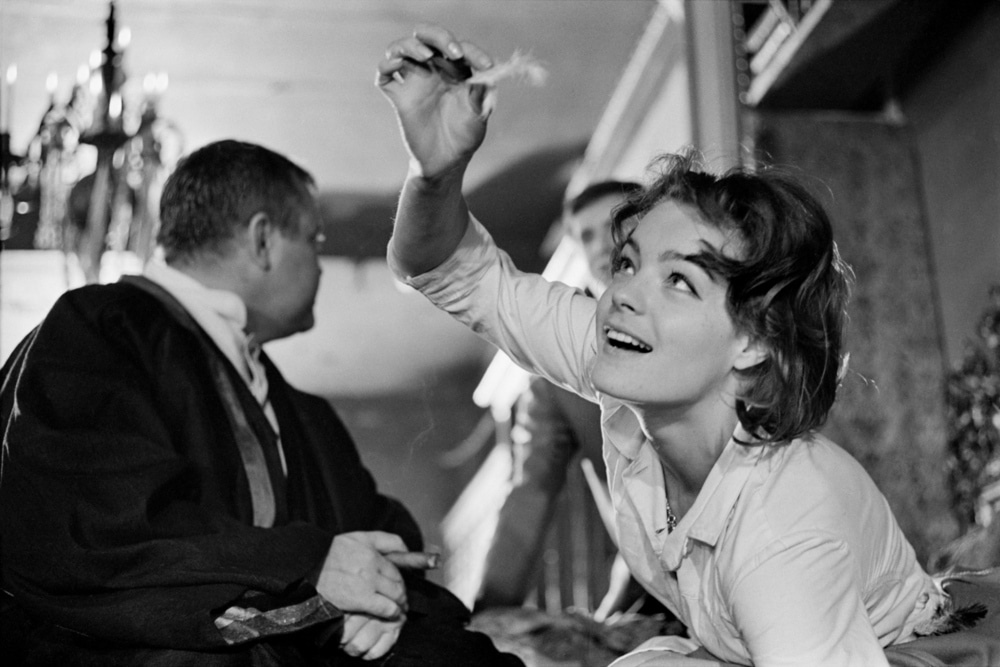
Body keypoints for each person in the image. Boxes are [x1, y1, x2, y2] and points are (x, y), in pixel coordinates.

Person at [375, 25, 998, 667]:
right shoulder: (628, 362)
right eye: (627, 263)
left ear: (753, 342)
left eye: (679, 281)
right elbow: (453, 273)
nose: (623, 294)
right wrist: (434, 173)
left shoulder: (780, 527)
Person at [0, 139, 522, 666]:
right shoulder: (99, 330)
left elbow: (379, 536)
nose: (320, 266)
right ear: (263, 240)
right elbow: (92, 532)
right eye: (314, 240)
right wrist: (311, 567)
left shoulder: (302, 413)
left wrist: (377, 593)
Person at [476, 180, 647, 613]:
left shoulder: (704, 315)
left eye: (617, 225)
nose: (603, 245)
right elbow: (529, 492)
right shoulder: (555, 367)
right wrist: (489, 611)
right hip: (651, 584)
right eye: (587, 235)